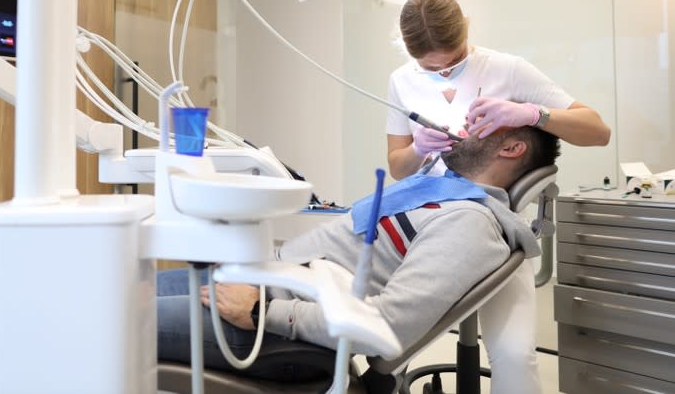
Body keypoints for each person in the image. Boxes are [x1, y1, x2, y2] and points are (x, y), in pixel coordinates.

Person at [157, 126, 561, 385]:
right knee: (113, 286)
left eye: (481, 125)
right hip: (262, 283)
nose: (463, 128)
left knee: (107, 320)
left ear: (511, 146)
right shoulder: (436, 194)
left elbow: (386, 327)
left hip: (273, 327)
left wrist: (263, 312)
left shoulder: (470, 224)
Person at [385, 0, 610, 394]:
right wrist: (417, 148)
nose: (443, 72)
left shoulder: (509, 69)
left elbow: (597, 130)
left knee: (514, 352)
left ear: (466, 29)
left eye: (452, 61)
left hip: (494, 223)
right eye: (430, 68)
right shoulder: (401, 81)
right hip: (428, 219)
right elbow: (398, 167)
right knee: (381, 336)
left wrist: (532, 113)